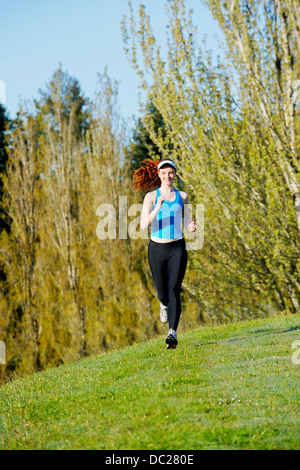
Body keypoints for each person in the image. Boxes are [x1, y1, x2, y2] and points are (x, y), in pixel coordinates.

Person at [132, 158, 196, 349]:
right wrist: (157, 207)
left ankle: (172, 334)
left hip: (177, 247)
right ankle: (163, 304)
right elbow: (143, 224)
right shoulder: (151, 197)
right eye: (164, 173)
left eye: (170, 173)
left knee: (174, 289)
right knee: (162, 292)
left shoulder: (182, 196)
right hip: (157, 249)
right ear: (158, 176)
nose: (167, 176)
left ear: (175, 174)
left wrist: (190, 225)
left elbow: (185, 217)